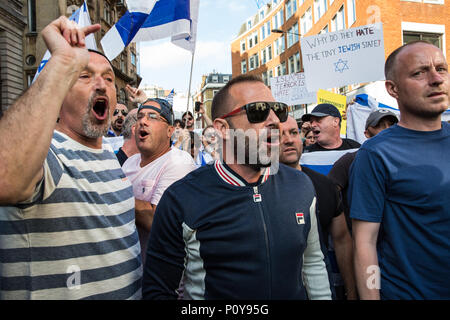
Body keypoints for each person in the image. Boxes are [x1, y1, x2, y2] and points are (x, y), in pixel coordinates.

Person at [142, 74, 331, 300]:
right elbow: (159, 291)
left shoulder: (301, 185)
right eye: (258, 111)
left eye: (278, 111)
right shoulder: (181, 199)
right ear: (222, 128)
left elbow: (312, 264)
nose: (274, 121)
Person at [0, 16, 142, 299]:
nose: (101, 85)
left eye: (109, 78)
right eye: (84, 76)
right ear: (59, 92)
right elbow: (5, 178)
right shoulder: (48, 152)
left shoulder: (107, 155)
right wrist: (63, 62)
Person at [350, 41, 450, 300]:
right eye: (419, 73)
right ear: (392, 89)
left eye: (442, 69)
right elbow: (365, 243)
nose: (436, 79)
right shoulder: (375, 154)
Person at [280, 116, 357, 300]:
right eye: (278, 135)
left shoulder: (325, 186)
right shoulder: (259, 190)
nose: (288, 139)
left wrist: (351, 292)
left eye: (293, 132)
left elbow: (342, 241)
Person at [122, 98, 196, 261]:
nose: (143, 121)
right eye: (140, 116)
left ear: (170, 131)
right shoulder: (129, 163)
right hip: (128, 274)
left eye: (152, 117)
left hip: (161, 279)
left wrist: (114, 191)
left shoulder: (179, 162)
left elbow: (156, 220)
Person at [328, 109, 398, 232]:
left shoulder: (405, 163)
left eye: (392, 125)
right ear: (367, 133)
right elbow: (327, 196)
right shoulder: (349, 161)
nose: (387, 130)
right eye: (380, 126)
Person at [300, 103, 361, 176]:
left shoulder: (356, 149)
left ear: (335, 121)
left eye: (318, 120)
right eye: (311, 122)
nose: (312, 125)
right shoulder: (305, 155)